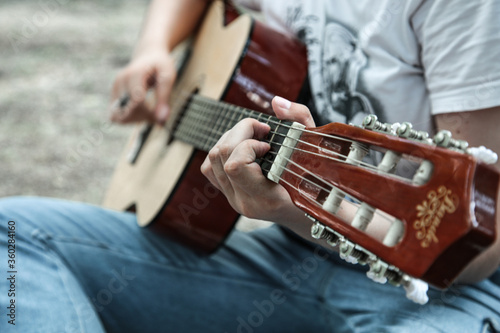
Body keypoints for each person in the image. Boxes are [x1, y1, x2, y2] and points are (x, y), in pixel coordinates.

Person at [1, 0, 500, 332]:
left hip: (442, 293)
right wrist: (153, 50)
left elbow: (477, 248)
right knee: (14, 238)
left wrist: (285, 210)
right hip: (284, 264)